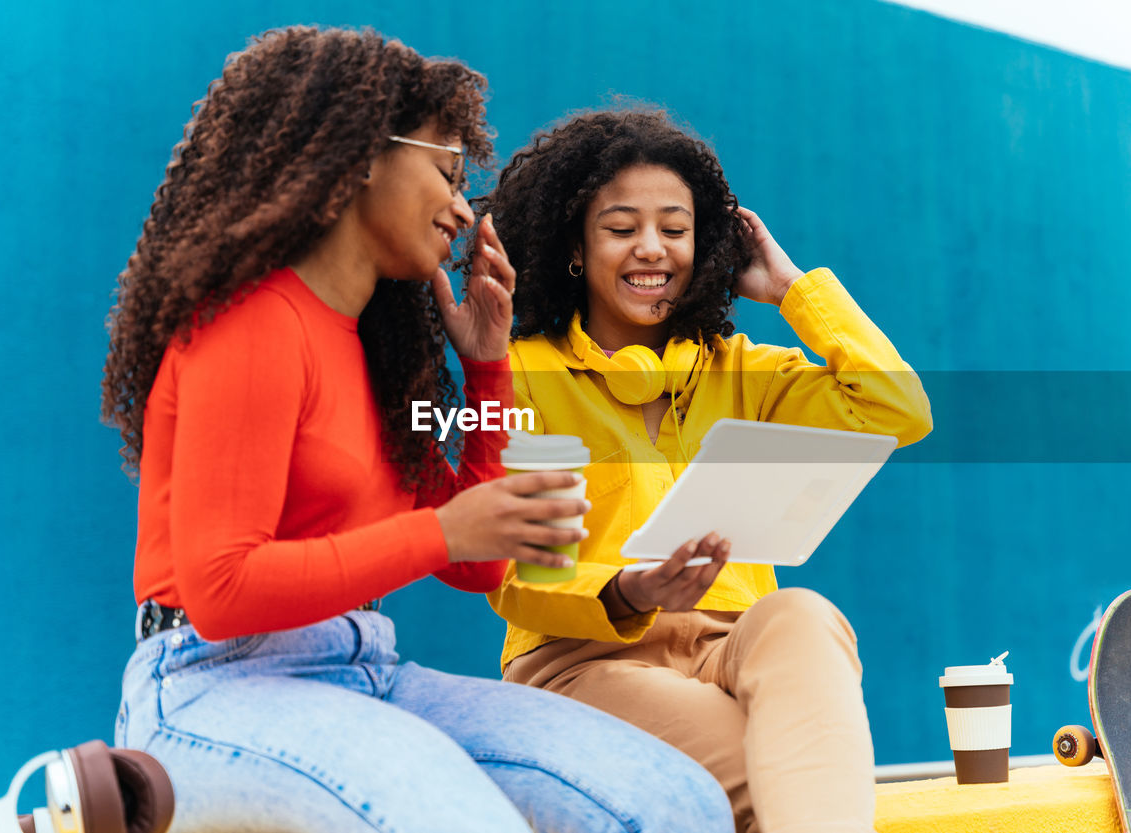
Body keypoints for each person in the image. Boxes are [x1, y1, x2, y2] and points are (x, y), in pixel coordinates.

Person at [101, 31, 735, 833]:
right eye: (444, 170)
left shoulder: (368, 350)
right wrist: (438, 531)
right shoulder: (248, 326)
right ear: (362, 154)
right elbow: (222, 592)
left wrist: (489, 369)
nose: (463, 208)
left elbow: (483, 562)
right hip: (209, 685)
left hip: (362, 666)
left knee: (677, 805)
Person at [475, 109, 933, 833]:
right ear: (576, 245)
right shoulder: (522, 377)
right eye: (622, 228)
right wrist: (628, 589)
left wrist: (792, 291)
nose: (651, 249)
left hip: (729, 648)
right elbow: (512, 573)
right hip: (584, 660)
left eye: (677, 229)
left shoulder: (745, 369)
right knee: (783, 781)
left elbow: (896, 408)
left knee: (805, 614)